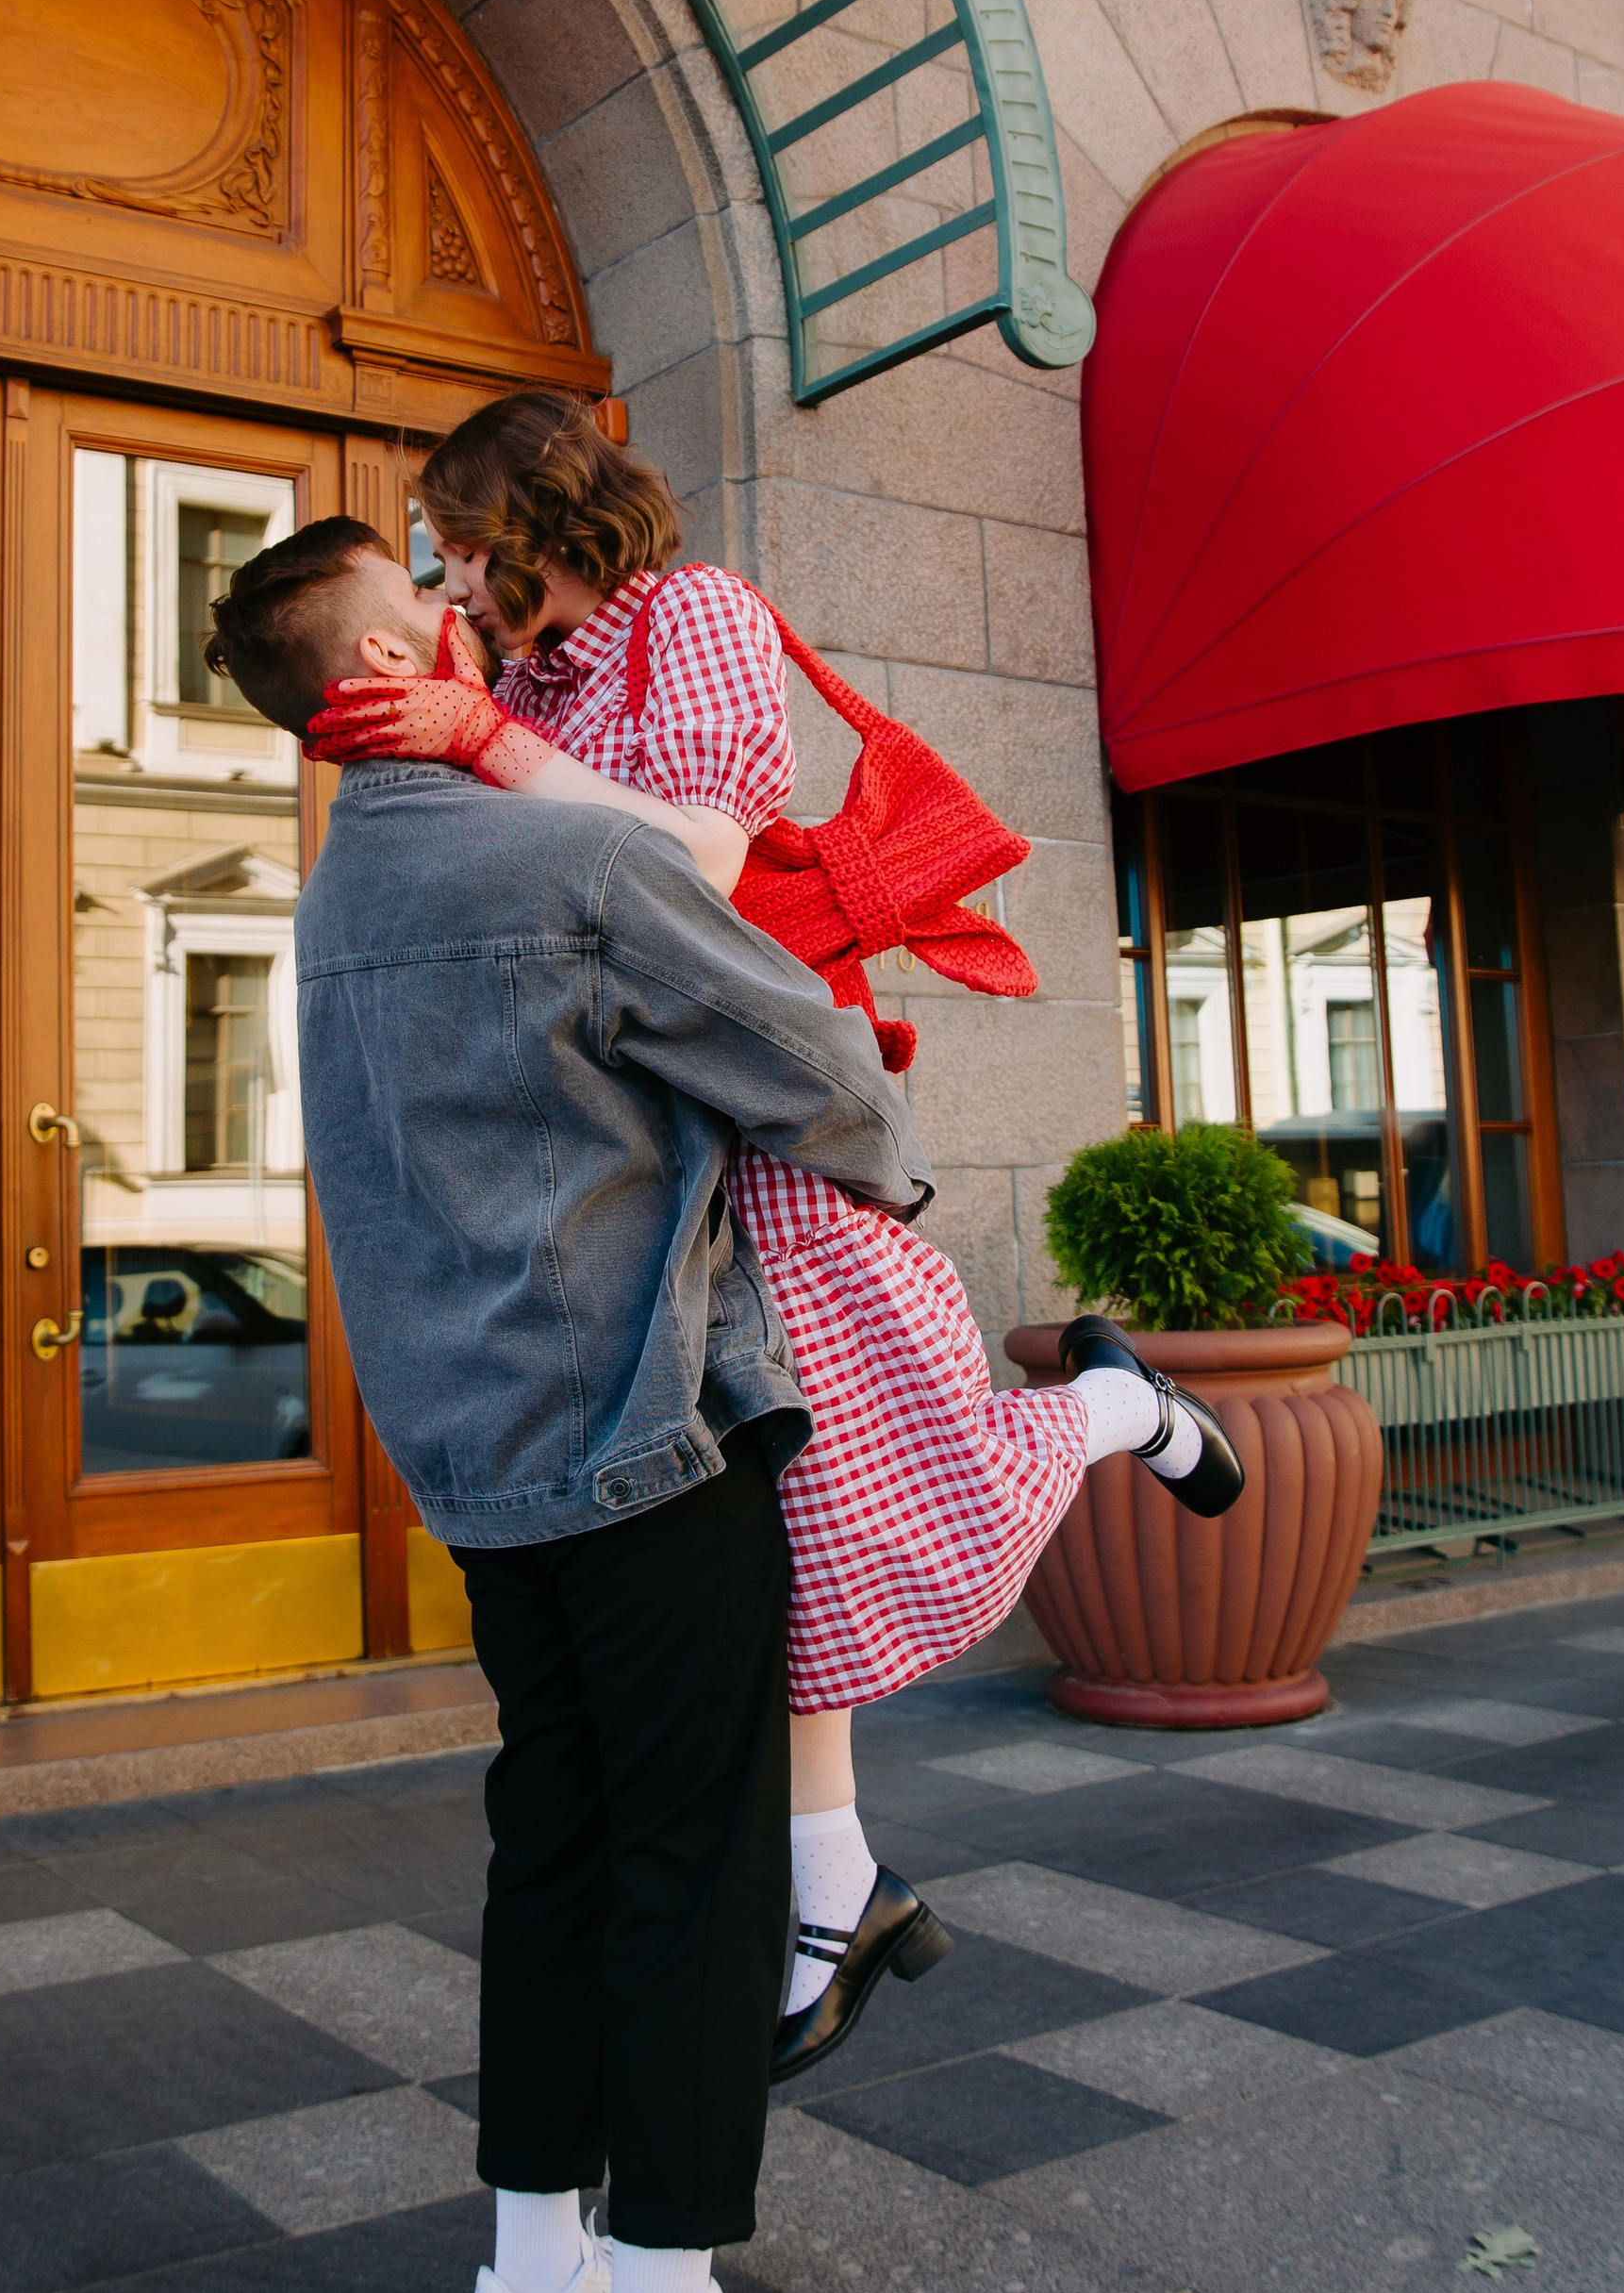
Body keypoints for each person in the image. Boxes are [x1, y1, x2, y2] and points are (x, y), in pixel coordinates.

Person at [310, 392, 1241, 2080]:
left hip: (757, 1108)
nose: (451, 567)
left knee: (877, 1481)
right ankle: (840, 1881)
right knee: (781, 1532)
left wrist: (472, 741)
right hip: (642, 1131)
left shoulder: (699, 617)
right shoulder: (517, 681)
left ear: (532, 516)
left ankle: (1120, 1409)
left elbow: (701, 863)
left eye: (459, 534)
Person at [207, 516, 936, 2293]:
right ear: (392, 649)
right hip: (643, 1431)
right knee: (693, 1880)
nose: (477, 617)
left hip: (476, 1459)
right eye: (434, 601)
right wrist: (885, 1173)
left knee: (554, 1845)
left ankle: (534, 2288)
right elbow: (818, 1069)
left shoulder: (337, 896)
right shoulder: (568, 858)